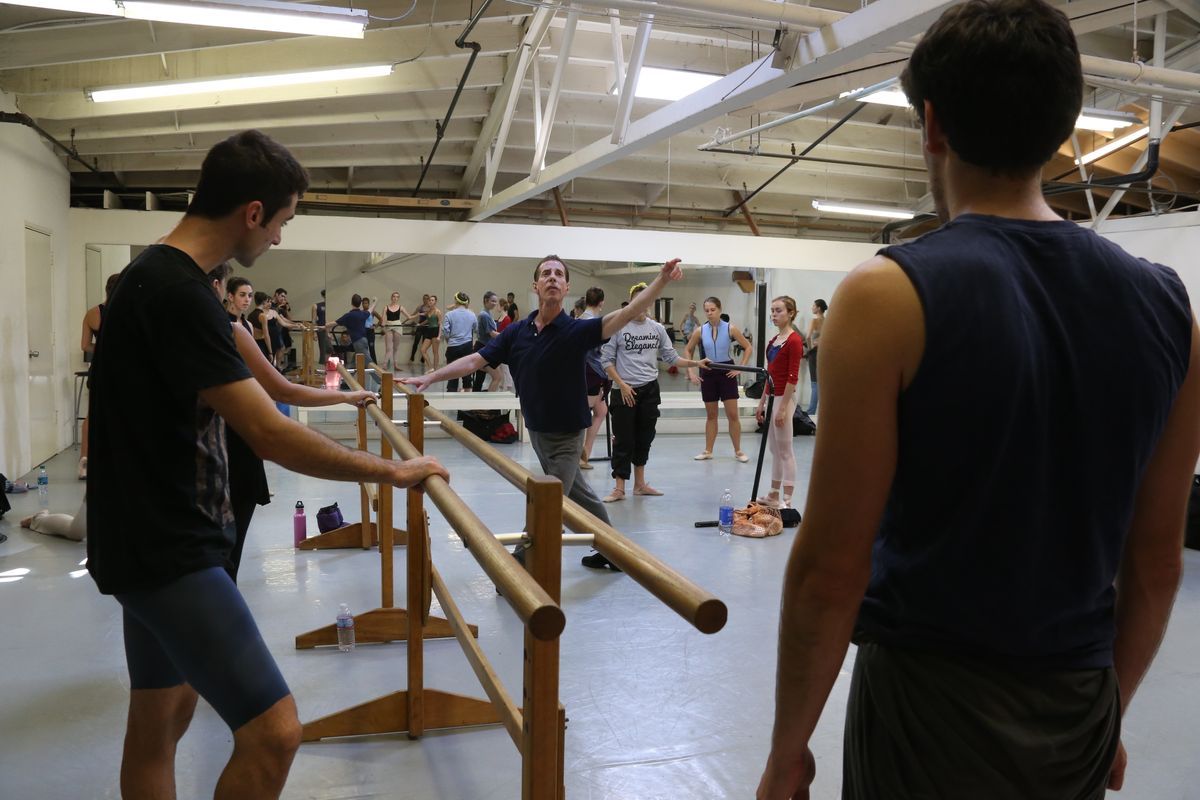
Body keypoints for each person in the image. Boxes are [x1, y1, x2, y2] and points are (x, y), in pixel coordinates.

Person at [754, 3, 1200, 799]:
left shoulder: (888, 293)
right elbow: (1157, 562)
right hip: (1077, 706)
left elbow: (830, 570)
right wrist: (1109, 713)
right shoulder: (1173, 312)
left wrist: (789, 746)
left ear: (932, 125)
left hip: (929, 711)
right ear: (1063, 125)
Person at [86, 130, 449, 800]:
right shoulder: (178, 293)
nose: (279, 238)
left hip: (140, 539)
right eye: (282, 221)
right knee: (275, 732)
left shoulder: (151, 277)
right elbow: (270, 433)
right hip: (169, 549)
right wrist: (390, 471)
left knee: (162, 720)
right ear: (252, 212)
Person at [403, 255, 686, 571]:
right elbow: (473, 362)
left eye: (559, 274)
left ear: (566, 287)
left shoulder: (577, 331)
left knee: (549, 500)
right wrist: (430, 376)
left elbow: (629, 312)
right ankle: (613, 551)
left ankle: (520, 564)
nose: (552, 277)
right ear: (535, 285)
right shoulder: (517, 332)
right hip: (538, 431)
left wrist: (661, 280)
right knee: (580, 495)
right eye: (546, 273)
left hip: (567, 435)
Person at [210, 267, 375, 579]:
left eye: (248, 295)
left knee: (215, 556)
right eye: (241, 295)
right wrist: (343, 397)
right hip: (231, 443)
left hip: (222, 444)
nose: (246, 300)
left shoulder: (229, 327)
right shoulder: (230, 330)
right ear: (221, 290)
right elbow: (282, 392)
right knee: (221, 556)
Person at [600, 282, 709, 502]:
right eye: (638, 301)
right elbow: (606, 361)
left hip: (649, 389)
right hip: (624, 390)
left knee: (644, 437)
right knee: (623, 439)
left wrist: (696, 363)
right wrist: (622, 384)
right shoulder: (618, 327)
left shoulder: (657, 329)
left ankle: (639, 484)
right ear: (632, 303)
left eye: (647, 300)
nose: (643, 305)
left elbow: (671, 357)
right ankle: (619, 487)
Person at [683, 296, 752, 462]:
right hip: (708, 370)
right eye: (706, 310)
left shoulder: (731, 328)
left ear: (720, 309)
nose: (709, 313)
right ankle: (708, 450)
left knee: (733, 415)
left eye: (713, 310)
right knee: (711, 415)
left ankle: (738, 451)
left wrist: (739, 368)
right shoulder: (700, 330)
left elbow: (748, 347)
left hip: (726, 372)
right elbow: (688, 350)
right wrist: (691, 371)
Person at [755, 296, 802, 510]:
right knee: (774, 449)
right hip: (773, 396)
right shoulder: (774, 341)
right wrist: (762, 403)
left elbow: (793, 377)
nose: (774, 314)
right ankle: (773, 494)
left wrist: (782, 408)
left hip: (784, 397)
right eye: (772, 311)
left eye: (778, 310)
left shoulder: (794, 340)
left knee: (785, 450)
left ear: (791, 313)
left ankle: (788, 500)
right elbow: (769, 374)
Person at [77, 271, 123, 480]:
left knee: (92, 414)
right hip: (121, 369)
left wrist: (102, 347)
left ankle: (84, 460)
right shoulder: (126, 312)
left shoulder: (92, 313)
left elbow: (85, 345)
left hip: (99, 368)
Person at [579, 286, 608, 470]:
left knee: (601, 411)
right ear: (601, 303)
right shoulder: (595, 322)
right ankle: (577, 455)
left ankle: (585, 453)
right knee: (583, 414)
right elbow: (598, 349)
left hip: (590, 371)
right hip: (591, 371)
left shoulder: (579, 319)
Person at [441, 292, 477, 392]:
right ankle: (466, 405)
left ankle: (451, 403)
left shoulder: (449, 314)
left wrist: (449, 340)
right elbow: (476, 329)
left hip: (453, 347)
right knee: (467, 376)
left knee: (452, 376)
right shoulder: (472, 314)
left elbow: (445, 332)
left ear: (456, 301)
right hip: (467, 347)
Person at [472, 291, 502, 392]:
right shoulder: (484, 315)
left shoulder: (487, 313)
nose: (494, 303)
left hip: (485, 348)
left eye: (496, 302)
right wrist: (507, 336)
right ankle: (489, 405)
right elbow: (492, 333)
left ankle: (477, 404)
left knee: (479, 379)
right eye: (492, 301)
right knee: (497, 377)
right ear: (486, 300)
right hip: (483, 349)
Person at [380, 291, 414, 373]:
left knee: (395, 347)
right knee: (389, 348)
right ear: (391, 298)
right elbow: (383, 319)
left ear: (398, 298)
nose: (395, 298)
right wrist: (382, 326)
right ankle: (384, 364)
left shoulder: (401, 307)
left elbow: (409, 317)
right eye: (394, 296)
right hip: (389, 326)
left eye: (397, 297)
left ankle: (396, 365)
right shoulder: (386, 307)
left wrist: (419, 314)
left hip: (398, 326)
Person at [804, 298, 826, 415]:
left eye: (813, 306)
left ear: (818, 308)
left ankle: (811, 410)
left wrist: (809, 348)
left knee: (814, 382)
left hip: (814, 352)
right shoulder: (826, 320)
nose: (812, 307)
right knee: (820, 381)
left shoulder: (814, 320)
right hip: (823, 352)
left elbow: (808, 336)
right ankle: (818, 409)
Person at [248, 291, 274, 361]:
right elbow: (266, 335)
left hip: (253, 343)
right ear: (264, 302)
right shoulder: (262, 316)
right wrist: (270, 352)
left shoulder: (250, 315)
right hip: (261, 344)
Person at [418, 294, 442, 371]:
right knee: (422, 350)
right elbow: (427, 320)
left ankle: (436, 369)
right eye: (430, 300)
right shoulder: (428, 311)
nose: (431, 301)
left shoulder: (438, 311)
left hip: (435, 330)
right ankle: (431, 367)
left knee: (435, 352)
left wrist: (439, 336)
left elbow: (440, 324)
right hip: (429, 331)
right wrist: (420, 324)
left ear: (435, 302)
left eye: (432, 300)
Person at [409, 293, 431, 363]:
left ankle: (423, 358)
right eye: (424, 298)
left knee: (424, 344)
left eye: (427, 299)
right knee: (416, 342)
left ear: (429, 299)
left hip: (427, 327)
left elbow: (429, 319)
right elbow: (413, 315)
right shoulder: (420, 307)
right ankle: (412, 357)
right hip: (420, 327)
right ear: (423, 299)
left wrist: (420, 324)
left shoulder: (431, 308)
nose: (425, 300)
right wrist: (404, 321)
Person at [311, 289, 328, 364]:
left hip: (328, 329)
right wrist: (314, 332)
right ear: (323, 296)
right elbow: (314, 320)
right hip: (321, 329)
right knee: (323, 349)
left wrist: (329, 332)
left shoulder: (331, 305)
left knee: (330, 349)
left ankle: (327, 364)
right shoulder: (316, 306)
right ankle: (324, 365)